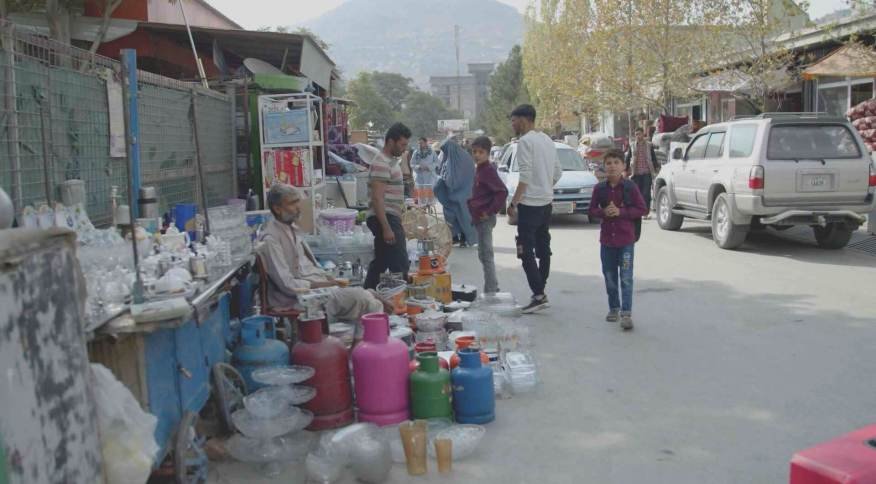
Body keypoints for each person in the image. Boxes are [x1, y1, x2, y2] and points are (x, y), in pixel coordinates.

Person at [259, 184, 391, 330]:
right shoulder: (271, 239)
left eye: (298, 202)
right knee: (365, 300)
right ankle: (369, 345)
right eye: (292, 203)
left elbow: (311, 267)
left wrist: (330, 281)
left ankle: (366, 341)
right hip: (298, 297)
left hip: (317, 288)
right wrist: (328, 284)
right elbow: (288, 285)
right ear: (277, 208)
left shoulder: (293, 230)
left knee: (370, 293)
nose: (298, 208)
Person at [507, 104, 562, 314]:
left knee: (524, 249)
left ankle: (538, 294)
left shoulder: (525, 142)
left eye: (513, 120)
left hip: (529, 206)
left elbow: (525, 177)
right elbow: (557, 172)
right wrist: (546, 187)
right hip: (546, 204)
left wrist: (513, 203)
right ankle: (540, 291)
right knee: (543, 247)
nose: (512, 124)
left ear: (524, 120)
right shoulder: (547, 140)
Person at [588, 150, 647, 331]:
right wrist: (603, 212)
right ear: (604, 167)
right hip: (607, 242)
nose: (612, 166)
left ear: (623, 166)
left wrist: (621, 212)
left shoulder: (630, 187)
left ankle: (626, 313)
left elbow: (642, 209)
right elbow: (591, 210)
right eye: (608, 163)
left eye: (616, 162)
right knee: (610, 276)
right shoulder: (599, 189)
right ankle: (614, 307)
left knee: (626, 277)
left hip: (626, 241)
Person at [364, 123, 412, 289]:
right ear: (391, 141)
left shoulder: (390, 161)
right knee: (399, 263)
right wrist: (386, 227)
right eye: (402, 144)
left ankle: (368, 295)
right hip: (385, 218)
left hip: (390, 217)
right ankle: (400, 300)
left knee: (381, 262)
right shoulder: (381, 163)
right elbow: (377, 199)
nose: (404, 148)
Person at [467, 136, 508, 294]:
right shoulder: (480, 169)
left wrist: (489, 211)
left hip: (485, 219)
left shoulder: (488, 170)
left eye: (481, 152)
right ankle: (491, 287)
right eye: (474, 152)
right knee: (483, 255)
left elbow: (502, 192)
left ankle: (492, 290)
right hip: (479, 218)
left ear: (488, 153)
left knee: (486, 255)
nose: (477, 155)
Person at [434, 139, 477, 247]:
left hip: (459, 194)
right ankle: (458, 238)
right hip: (461, 194)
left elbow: (451, 180)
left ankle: (461, 237)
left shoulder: (456, 160)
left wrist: (442, 180)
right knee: (460, 216)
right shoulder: (463, 157)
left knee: (459, 216)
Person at [624, 128, 660, 216]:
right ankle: (638, 210)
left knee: (646, 193)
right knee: (637, 193)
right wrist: (625, 170)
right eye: (636, 134)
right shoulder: (632, 145)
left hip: (647, 172)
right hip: (635, 173)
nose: (638, 136)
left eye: (639, 134)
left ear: (643, 135)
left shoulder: (648, 145)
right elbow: (628, 157)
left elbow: (653, 157)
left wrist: (656, 167)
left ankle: (646, 212)